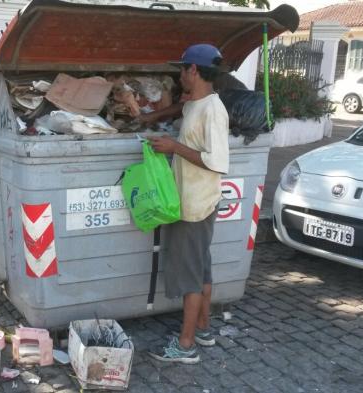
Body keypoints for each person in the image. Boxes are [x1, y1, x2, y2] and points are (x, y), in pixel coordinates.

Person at [144, 44, 230, 364]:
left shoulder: (212, 110)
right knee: (202, 270)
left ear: (193, 70)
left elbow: (217, 161)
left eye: (182, 70)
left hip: (196, 205)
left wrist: (173, 147)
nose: (179, 75)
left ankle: (186, 344)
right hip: (193, 201)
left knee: (192, 276)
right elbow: (181, 115)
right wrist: (155, 118)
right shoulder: (196, 103)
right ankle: (204, 329)